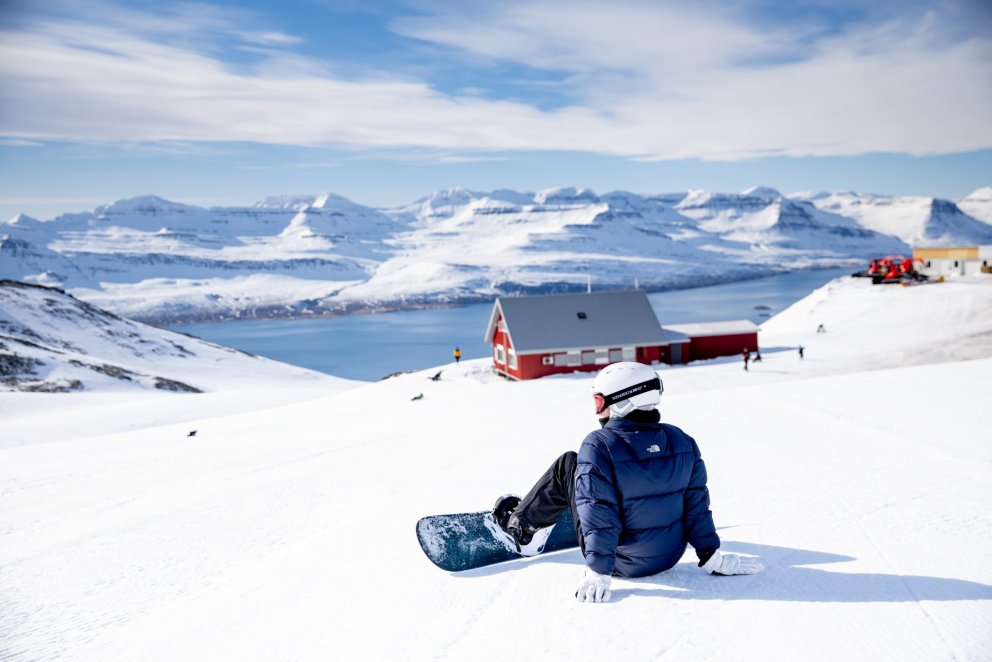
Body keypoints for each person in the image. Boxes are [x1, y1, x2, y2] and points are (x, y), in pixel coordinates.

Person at [490, 361, 764, 603]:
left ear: (623, 401)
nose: (598, 411)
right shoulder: (682, 440)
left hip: (620, 564)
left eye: (600, 401)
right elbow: (696, 508)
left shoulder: (599, 445)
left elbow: (599, 513)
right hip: (668, 557)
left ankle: (521, 529)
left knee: (568, 463)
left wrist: (599, 573)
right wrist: (711, 556)